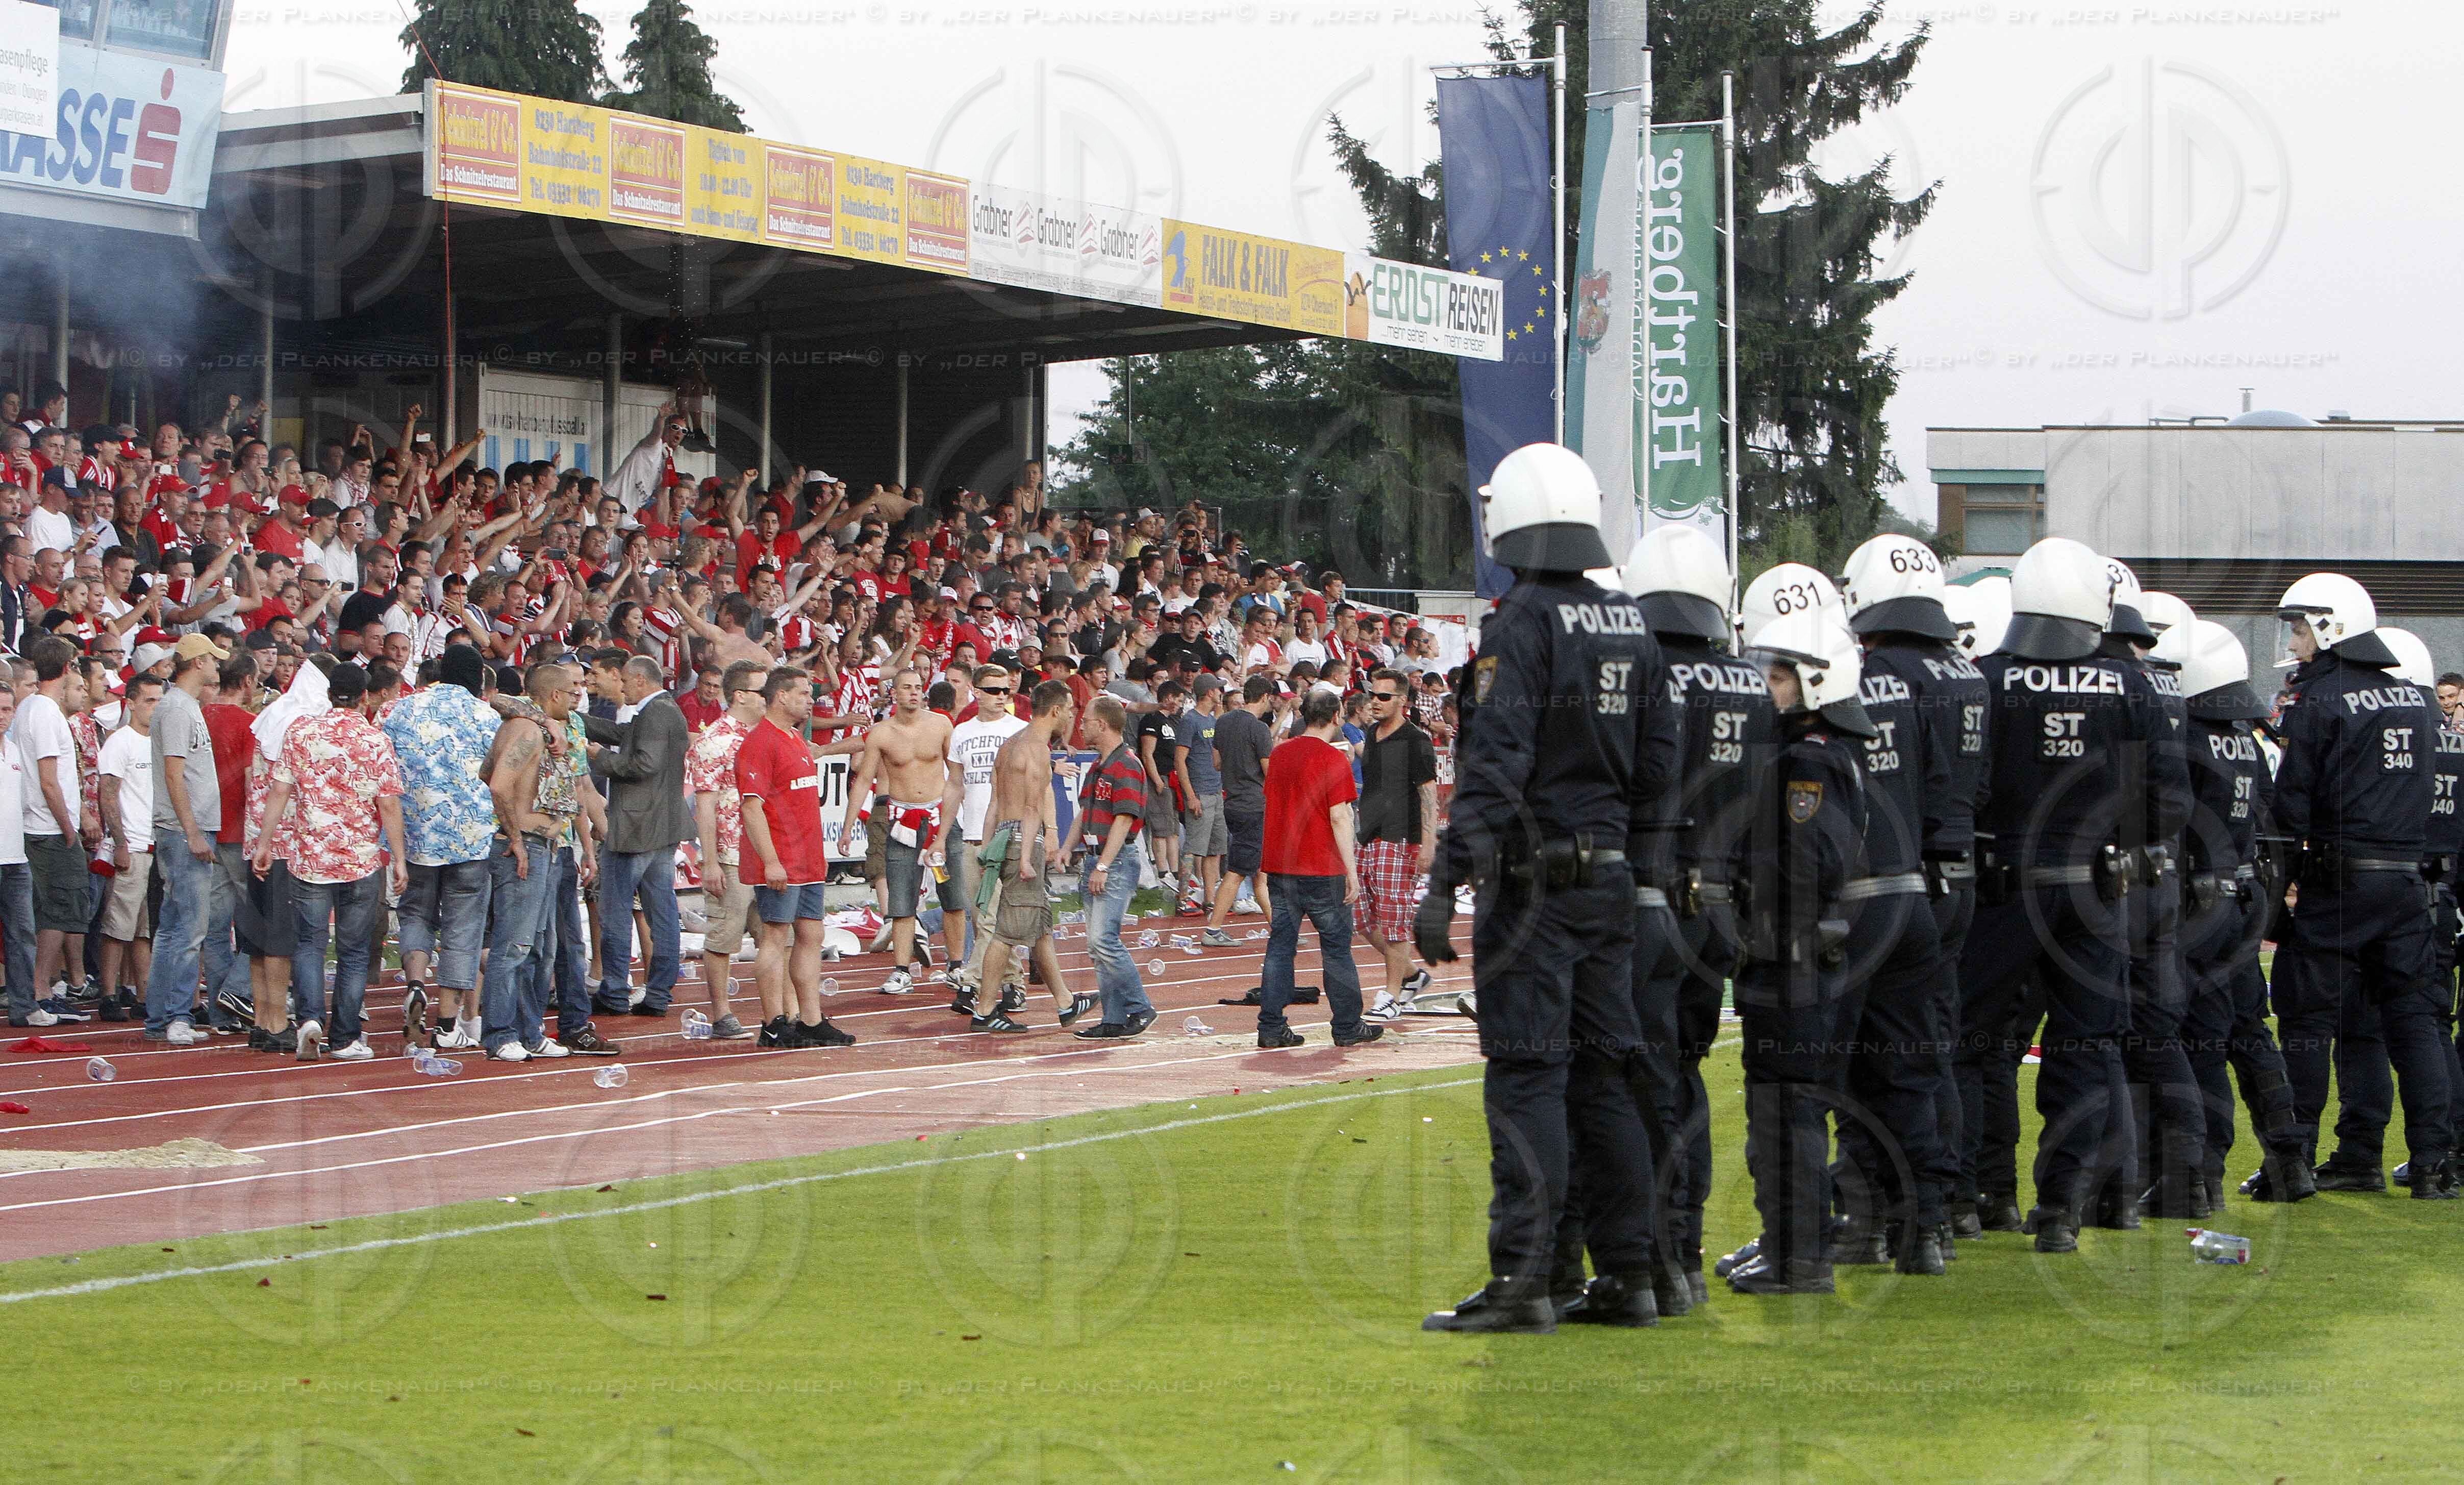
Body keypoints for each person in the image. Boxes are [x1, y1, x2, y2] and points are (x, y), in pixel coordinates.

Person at [1415, 443, 1675, 1333]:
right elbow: (1658, 771)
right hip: (1608, 882)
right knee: (1606, 1081)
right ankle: (1629, 1275)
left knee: (1527, 1080)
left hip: (1534, 888)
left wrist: (1446, 880)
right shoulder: (1631, 623)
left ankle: (1526, 1281)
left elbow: (1496, 764)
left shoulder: (1522, 620)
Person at [1954, 537, 2186, 1254]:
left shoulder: (1984, 678)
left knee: (1968, 1045)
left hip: (2000, 889)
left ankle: (1962, 1198)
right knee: (2084, 1048)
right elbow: (2167, 801)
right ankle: (2060, 1207)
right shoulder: (2133, 687)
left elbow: (1966, 786)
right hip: (2094, 892)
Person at [1612, 526, 1773, 1304]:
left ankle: (1644, 1256)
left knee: (1632, 1081)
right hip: (1718, 907)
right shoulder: (1749, 683)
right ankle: (1682, 1246)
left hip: (1645, 896)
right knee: (1682, 1075)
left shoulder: (1633, 671)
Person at [2272, 573, 2454, 1197]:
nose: (2295, 643)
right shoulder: (2418, 701)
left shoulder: (2318, 699)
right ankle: (2434, 1164)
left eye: (2301, 628)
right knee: (2414, 1022)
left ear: (2331, 626)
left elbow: (2291, 802)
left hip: (2339, 881)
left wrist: (2283, 885)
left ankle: (2293, 1159)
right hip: (2404, 883)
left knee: (2307, 1017)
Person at [1721, 612, 1872, 1296]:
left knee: (1787, 1112)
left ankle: (1798, 1256)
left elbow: (1807, 862)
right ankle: (1785, 1244)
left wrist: (1766, 924)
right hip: (1795, 956)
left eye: (1778, 677)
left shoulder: (1808, 758)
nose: (1766, 687)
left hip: (1794, 958)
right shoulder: (1806, 751)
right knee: (1778, 1110)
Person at [1823, 535, 1954, 1276]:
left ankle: (1852, 1222)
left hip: (1853, 905)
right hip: (1914, 898)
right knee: (1910, 1074)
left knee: (1833, 1077)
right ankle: (1924, 1228)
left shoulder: (1828, 690)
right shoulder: (1903, 691)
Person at [2167, 620, 2316, 1205]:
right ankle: (2289, 1157)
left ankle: (2202, 1175)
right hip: (2243, 898)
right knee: (2250, 1032)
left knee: (2201, 1039)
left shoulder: (2185, 741)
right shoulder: (2246, 741)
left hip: (2198, 902)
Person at [256, 663, 408, 1062]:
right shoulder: (374, 740)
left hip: (310, 856)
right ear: (364, 697)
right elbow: (388, 804)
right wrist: (400, 859)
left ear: (328, 695)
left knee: (310, 943)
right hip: (360, 859)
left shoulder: (302, 733)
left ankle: (309, 1018)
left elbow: (279, 791)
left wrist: (265, 842)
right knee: (353, 951)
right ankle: (345, 1037)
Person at [381, 642, 500, 1050]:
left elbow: (386, 770)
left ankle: (415, 983)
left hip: (415, 837)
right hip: (472, 839)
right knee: (462, 930)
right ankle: (448, 1024)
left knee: (416, 912)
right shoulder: (487, 716)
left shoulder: (403, 710)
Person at [736, 665, 857, 1049]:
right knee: (774, 937)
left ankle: (810, 1019)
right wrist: (771, 861)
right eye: (804, 693)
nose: (811, 700)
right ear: (781, 696)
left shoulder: (794, 740)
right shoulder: (760, 743)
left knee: (811, 934)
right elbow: (751, 808)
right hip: (782, 859)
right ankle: (773, 1023)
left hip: (808, 860)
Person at [1255, 686, 1378, 1049]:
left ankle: (1271, 1025)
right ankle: (1346, 1025)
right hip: (1322, 867)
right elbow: (1340, 816)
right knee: (1337, 949)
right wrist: (1352, 872)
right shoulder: (1333, 759)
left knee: (1280, 946)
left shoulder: (1280, 755)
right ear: (1337, 718)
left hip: (1281, 864)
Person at [969, 680, 1084, 1034]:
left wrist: (987, 848)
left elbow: (994, 804)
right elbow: (1032, 806)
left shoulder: (1008, 746)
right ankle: (986, 1009)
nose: (1070, 716)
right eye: (1068, 709)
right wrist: (1029, 856)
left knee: (1041, 927)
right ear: (1055, 711)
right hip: (1022, 840)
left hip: (1004, 835)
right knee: (1008, 931)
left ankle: (1065, 1002)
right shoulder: (1037, 748)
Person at [477, 663, 578, 1061]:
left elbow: (488, 772)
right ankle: (500, 1034)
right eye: (572, 691)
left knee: (534, 949)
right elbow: (498, 784)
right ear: (553, 696)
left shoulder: (523, 726)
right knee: (514, 946)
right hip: (525, 849)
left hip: (541, 847)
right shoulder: (528, 732)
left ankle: (529, 1031)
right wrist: (516, 838)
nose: (577, 697)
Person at [582, 655, 689, 1020]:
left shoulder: (655, 713)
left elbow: (644, 764)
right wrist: (576, 721)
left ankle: (614, 991)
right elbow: (623, 736)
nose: (621, 686)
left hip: (635, 828)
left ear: (641, 681)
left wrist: (600, 760)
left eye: (626, 681)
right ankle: (658, 992)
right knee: (663, 912)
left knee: (616, 912)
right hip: (662, 827)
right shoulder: (662, 710)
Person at [841, 666, 957, 997]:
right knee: (901, 900)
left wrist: (956, 820)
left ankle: (957, 966)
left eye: (918, 687)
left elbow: (956, 774)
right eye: (906, 687)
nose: (914, 692)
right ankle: (902, 970)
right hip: (902, 823)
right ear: (895, 692)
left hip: (938, 819)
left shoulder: (940, 724)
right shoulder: (881, 733)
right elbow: (864, 780)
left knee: (952, 894)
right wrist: (848, 828)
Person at [141, 634, 227, 1044]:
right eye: (213, 660)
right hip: (183, 830)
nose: (217, 668)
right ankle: (178, 1015)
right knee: (189, 929)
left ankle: (161, 1016)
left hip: (181, 828)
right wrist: (193, 831)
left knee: (173, 929)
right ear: (197, 663)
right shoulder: (178, 709)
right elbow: (175, 774)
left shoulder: (182, 707)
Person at [684, 658, 768, 1040]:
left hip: (766, 853)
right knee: (723, 937)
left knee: (775, 936)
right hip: (732, 855)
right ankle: (722, 1014)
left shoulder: (767, 736)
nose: (769, 699)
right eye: (762, 692)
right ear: (741, 696)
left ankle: (777, 1013)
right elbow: (705, 804)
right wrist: (711, 861)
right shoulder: (713, 741)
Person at [13, 637, 90, 1021]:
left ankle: (39, 988)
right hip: (48, 828)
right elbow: (48, 780)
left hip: (37, 826)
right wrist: (68, 826)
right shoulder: (45, 712)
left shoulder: (30, 707)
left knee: (51, 910)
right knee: (62, 910)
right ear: (65, 668)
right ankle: (40, 989)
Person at [945, 662, 1027, 1013]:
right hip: (971, 833)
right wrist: (942, 834)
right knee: (981, 918)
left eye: (1006, 691)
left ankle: (971, 983)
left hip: (1009, 833)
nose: (1001, 697)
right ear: (976, 692)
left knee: (993, 917)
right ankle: (1013, 983)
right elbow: (954, 785)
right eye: (993, 691)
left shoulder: (1021, 730)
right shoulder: (961, 732)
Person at [1354, 669, 1437, 1016]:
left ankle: (1391, 994)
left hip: (1401, 839)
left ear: (1402, 701)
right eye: (1374, 695)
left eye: (1384, 696)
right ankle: (1413, 976)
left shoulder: (1417, 741)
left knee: (1394, 919)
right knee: (1360, 919)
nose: (1376, 701)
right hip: (1368, 836)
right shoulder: (1373, 733)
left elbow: (1428, 793)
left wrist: (1430, 844)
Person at [1070, 693, 1150, 1038]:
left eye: (1086, 720)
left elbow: (1124, 818)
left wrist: (1103, 865)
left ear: (1102, 724)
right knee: (1097, 946)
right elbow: (1085, 812)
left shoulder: (1127, 764)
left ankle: (1139, 1007)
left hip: (1112, 859)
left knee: (1104, 940)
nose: (1081, 725)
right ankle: (1114, 1018)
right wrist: (1066, 848)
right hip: (1096, 857)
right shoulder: (1100, 765)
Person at [1206, 676, 1276, 938]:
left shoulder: (1223, 721)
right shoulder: (1259, 729)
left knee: (1259, 872)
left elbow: (1216, 763)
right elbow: (1270, 772)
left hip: (1233, 802)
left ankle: (1279, 928)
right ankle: (1213, 929)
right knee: (1237, 871)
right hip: (1254, 805)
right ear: (1266, 697)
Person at [1172, 674, 1226, 917]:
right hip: (1201, 792)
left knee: (1215, 849)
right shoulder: (1190, 721)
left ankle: (1210, 899)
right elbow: (1180, 761)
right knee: (1194, 848)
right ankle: (1183, 898)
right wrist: (1191, 796)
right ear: (1209, 692)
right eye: (1218, 690)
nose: (1221, 693)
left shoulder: (1213, 720)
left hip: (1216, 790)